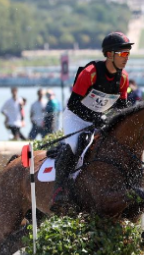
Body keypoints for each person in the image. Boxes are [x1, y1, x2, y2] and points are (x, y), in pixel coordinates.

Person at [51, 32, 133, 213]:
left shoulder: (124, 78)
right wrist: (93, 117)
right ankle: (59, 191)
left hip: (100, 120)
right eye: (123, 54)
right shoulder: (91, 73)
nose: (126, 58)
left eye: (128, 53)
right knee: (74, 145)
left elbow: (121, 106)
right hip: (76, 117)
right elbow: (74, 103)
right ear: (110, 54)